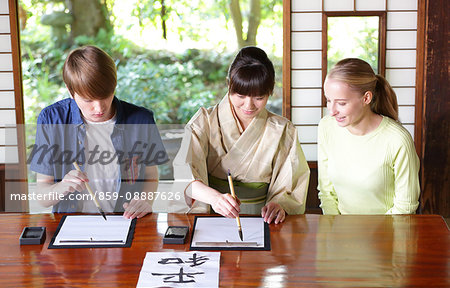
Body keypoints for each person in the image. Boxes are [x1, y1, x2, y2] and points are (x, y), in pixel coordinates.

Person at [173, 46, 310, 224]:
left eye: (259, 97)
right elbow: (184, 174)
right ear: (229, 84)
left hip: (262, 219)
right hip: (211, 213)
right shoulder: (204, 121)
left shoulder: (283, 130)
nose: (249, 105)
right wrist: (215, 199)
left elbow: (291, 183)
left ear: (270, 92)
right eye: (241, 95)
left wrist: (280, 204)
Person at [29, 45, 168, 219]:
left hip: (125, 222)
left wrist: (144, 200)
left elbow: (150, 176)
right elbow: (42, 195)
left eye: (106, 96)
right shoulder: (52, 119)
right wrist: (62, 186)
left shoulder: (141, 120)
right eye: (88, 100)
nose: (99, 107)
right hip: (71, 227)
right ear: (71, 91)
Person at [318, 58, 420, 215]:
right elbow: (326, 192)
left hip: (387, 234)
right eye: (328, 100)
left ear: (366, 98)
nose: (332, 111)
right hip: (339, 232)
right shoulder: (327, 127)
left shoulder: (398, 139)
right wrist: (335, 230)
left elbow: (405, 206)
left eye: (342, 103)